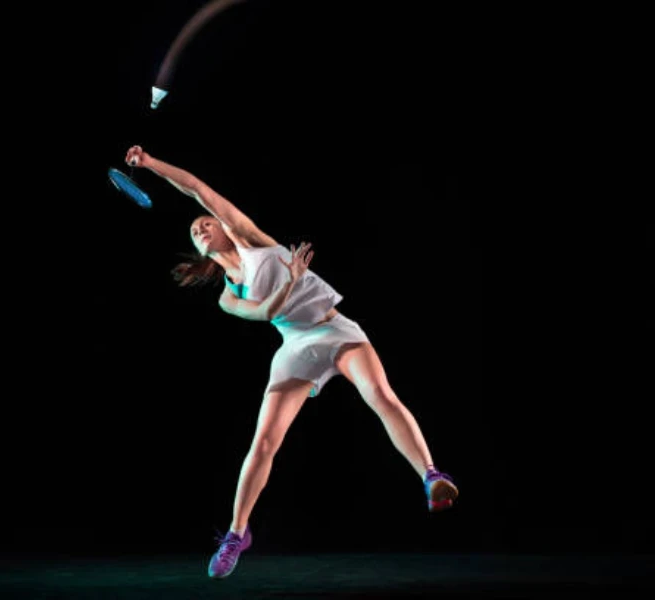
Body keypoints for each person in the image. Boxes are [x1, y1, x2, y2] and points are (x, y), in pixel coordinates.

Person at [123, 145, 459, 579]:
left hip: (336, 330)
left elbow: (196, 189)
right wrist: (293, 282)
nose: (202, 226)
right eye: (195, 230)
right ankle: (236, 534)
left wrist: (150, 165)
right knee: (263, 442)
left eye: (207, 221)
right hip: (295, 345)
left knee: (379, 394)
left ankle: (431, 476)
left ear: (225, 229)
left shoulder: (252, 239)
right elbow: (264, 313)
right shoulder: (228, 295)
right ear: (201, 252)